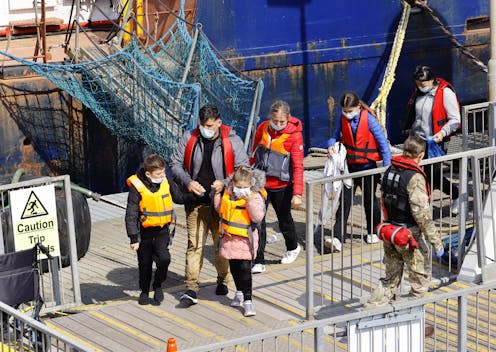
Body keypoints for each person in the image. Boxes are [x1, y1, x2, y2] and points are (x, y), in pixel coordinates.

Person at [170, 104, 249, 305]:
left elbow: (244, 169)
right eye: (203, 125)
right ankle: (191, 288)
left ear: (219, 123)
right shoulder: (190, 137)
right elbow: (175, 164)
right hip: (195, 203)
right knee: (194, 245)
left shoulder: (232, 140)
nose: (206, 129)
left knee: (220, 245)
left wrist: (224, 183)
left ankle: (223, 278)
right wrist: (188, 183)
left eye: (210, 125)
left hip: (221, 203)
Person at [366, 136, 444, 306]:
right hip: (410, 237)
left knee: (390, 279)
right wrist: (436, 243)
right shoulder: (414, 177)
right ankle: (415, 325)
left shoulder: (390, 170)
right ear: (421, 155)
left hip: (390, 232)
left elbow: (385, 200)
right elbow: (422, 215)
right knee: (419, 282)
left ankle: (372, 311)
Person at [326, 92, 391, 247]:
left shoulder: (368, 119)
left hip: (368, 167)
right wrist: (330, 145)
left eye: (350, 111)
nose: (347, 114)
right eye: (345, 111)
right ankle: (337, 237)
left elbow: (383, 143)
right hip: (350, 166)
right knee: (345, 201)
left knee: (370, 200)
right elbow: (334, 135)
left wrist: (387, 167)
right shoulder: (342, 119)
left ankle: (373, 231)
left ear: (358, 107)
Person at [251, 100, 304, 273]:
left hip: (282, 186)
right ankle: (258, 259)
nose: (278, 124)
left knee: (284, 219)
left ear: (288, 118)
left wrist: (297, 193)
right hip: (261, 183)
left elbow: (297, 166)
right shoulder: (263, 128)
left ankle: (293, 247)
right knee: (259, 220)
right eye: (275, 121)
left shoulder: (294, 136)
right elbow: (254, 153)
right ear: (270, 117)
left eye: (282, 122)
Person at [403, 65, 461, 214]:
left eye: (423, 84)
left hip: (435, 141)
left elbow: (455, 120)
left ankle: (455, 194)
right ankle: (419, 207)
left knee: (432, 176)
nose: (420, 87)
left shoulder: (445, 93)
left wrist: (442, 133)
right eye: (417, 83)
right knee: (415, 173)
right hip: (418, 139)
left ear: (432, 80)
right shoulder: (418, 92)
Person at [214, 166, 266, 317]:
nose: (241, 190)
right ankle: (239, 293)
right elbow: (219, 209)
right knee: (235, 268)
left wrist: (249, 200)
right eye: (238, 187)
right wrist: (217, 194)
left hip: (245, 240)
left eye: (245, 187)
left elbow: (258, 217)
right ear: (233, 184)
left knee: (245, 270)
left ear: (250, 185)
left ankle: (248, 301)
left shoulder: (255, 197)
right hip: (229, 239)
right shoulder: (228, 194)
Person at [125, 154, 173, 305]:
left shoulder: (165, 181)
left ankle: (158, 284)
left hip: (162, 229)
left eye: (163, 173)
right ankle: (144, 291)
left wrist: (195, 195)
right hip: (144, 232)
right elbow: (131, 213)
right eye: (159, 174)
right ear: (148, 174)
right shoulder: (136, 187)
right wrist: (133, 237)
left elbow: (178, 195)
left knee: (164, 258)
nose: (162, 176)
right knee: (145, 263)